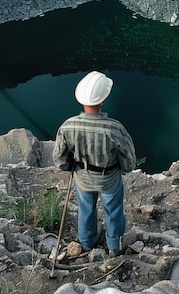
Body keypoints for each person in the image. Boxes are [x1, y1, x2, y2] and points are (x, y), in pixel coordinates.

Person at [53, 71, 136, 256]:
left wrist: (69, 166)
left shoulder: (67, 126)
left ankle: (87, 241)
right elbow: (129, 160)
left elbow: (60, 159)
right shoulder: (114, 128)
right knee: (113, 209)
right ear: (102, 101)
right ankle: (115, 245)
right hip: (109, 177)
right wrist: (123, 168)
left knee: (86, 207)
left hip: (83, 177)